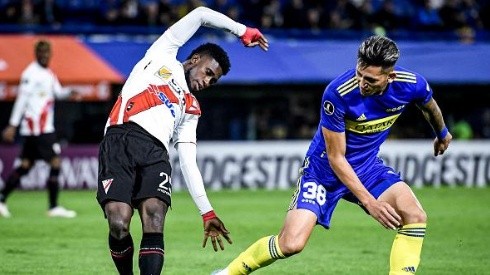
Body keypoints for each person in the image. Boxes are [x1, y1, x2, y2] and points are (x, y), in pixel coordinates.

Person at [213, 35, 452, 275]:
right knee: (291, 244)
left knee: (415, 215)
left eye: (370, 79)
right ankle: (228, 273)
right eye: (359, 74)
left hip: (367, 167)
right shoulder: (338, 94)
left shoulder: (412, 84)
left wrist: (442, 133)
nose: (361, 83)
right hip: (323, 171)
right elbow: (336, 158)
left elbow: (428, 104)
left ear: (390, 77)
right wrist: (370, 202)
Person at [95, 6, 268, 275]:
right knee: (119, 223)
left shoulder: (192, 109)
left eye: (214, 80)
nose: (208, 81)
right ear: (195, 59)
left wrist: (207, 212)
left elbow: (188, 162)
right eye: (208, 72)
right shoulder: (162, 54)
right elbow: (200, 14)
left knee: (154, 216)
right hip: (120, 139)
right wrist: (242, 30)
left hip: (156, 154)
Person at [0, 39, 78, 218]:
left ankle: (2, 199)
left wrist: (68, 92)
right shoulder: (30, 73)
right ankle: (53, 207)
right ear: (36, 54)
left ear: (50, 54)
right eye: (40, 53)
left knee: (26, 165)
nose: (44, 56)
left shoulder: (48, 73)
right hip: (38, 128)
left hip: (39, 129)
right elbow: (22, 100)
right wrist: (12, 124)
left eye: (46, 53)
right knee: (55, 162)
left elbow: (57, 92)